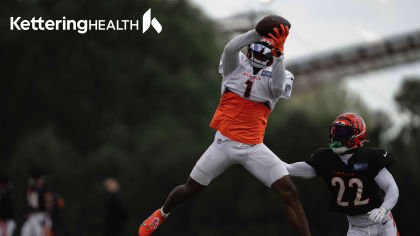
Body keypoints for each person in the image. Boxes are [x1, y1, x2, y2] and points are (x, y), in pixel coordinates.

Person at [138, 20, 311, 236]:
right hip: (223, 142)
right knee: (190, 188)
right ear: (250, 47)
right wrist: (256, 32)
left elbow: (276, 89)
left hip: (253, 147)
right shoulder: (235, 64)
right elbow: (230, 48)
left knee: (290, 193)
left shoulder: (280, 73)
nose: (258, 52)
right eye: (256, 46)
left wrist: (279, 55)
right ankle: (162, 214)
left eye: (265, 50)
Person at [286, 112, 399, 236]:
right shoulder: (327, 159)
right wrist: (276, 166)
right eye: (335, 131)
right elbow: (290, 168)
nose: (336, 136)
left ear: (357, 136)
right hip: (357, 228)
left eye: (343, 133)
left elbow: (391, 187)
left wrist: (384, 209)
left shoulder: (369, 158)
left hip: (383, 223)